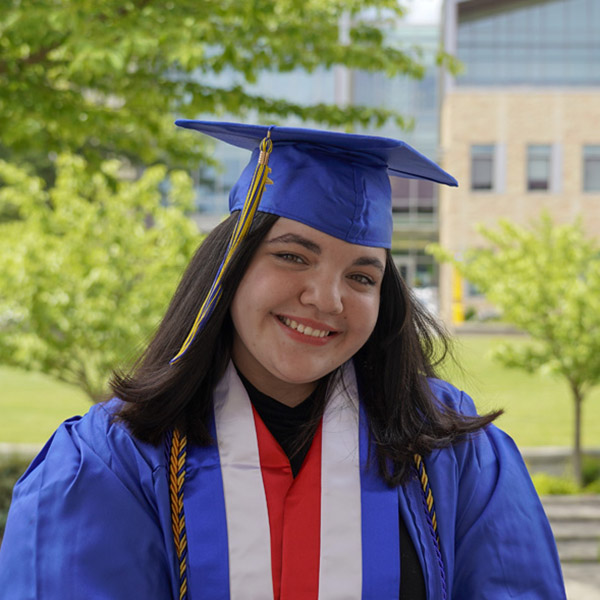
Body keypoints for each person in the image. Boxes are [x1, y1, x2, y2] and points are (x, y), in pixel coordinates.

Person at [0, 121, 566, 600]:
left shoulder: (451, 451)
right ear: (230, 267)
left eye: (362, 277)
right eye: (293, 255)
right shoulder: (107, 461)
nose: (327, 298)